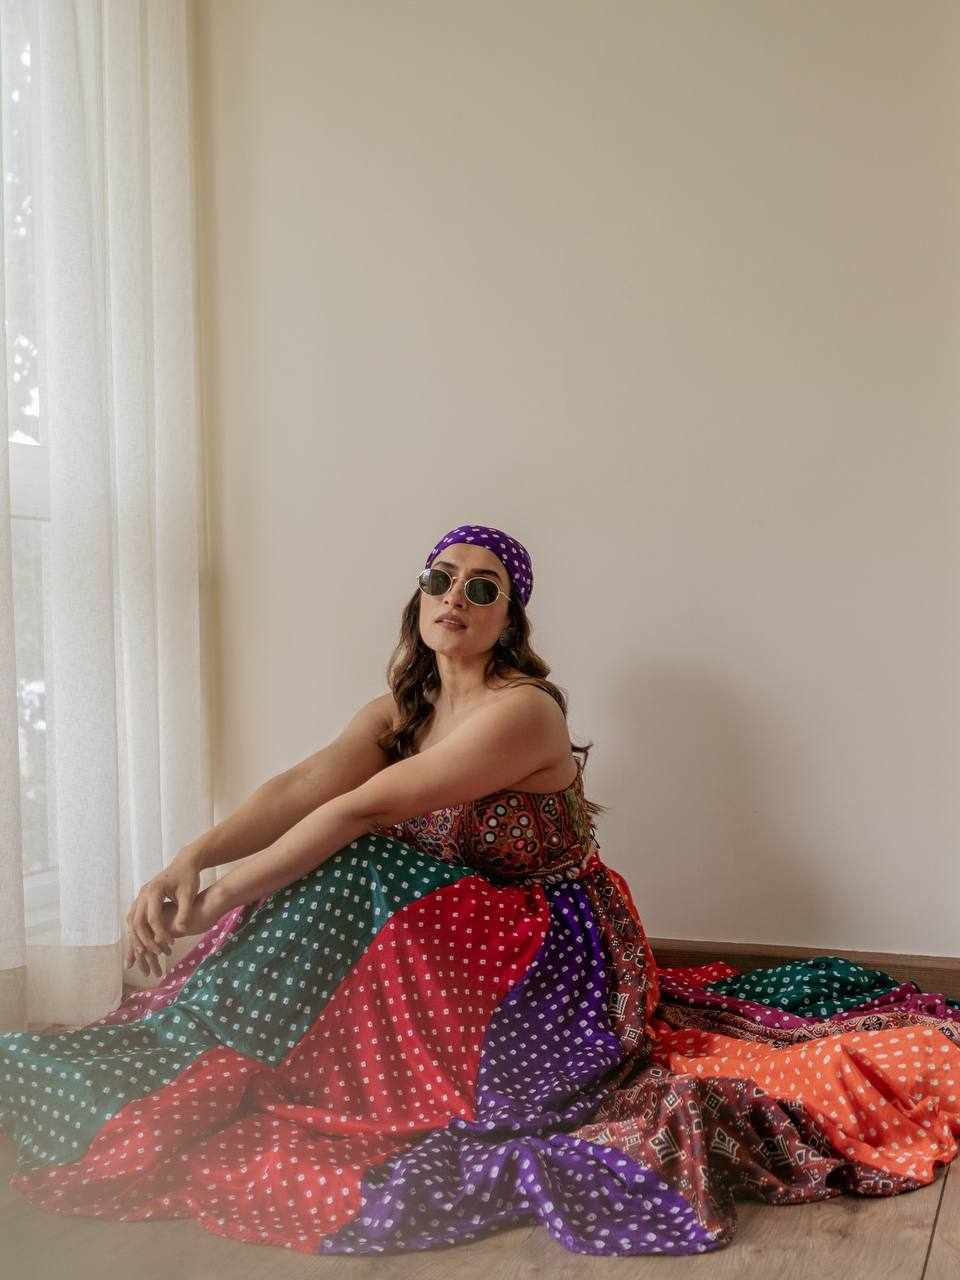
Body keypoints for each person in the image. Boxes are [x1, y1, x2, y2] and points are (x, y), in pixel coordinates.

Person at [1, 521, 959, 1258]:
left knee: (358, 862)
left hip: (555, 955)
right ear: (419, 599)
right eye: (440, 579)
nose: (454, 596)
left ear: (509, 620)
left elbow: (358, 811)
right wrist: (189, 859)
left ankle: (210, 1043)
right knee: (343, 867)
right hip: (455, 934)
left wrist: (216, 901)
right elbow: (300, 788)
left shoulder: (522, 713)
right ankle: (195, 1045)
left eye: (481, 587)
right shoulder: (401, 708)